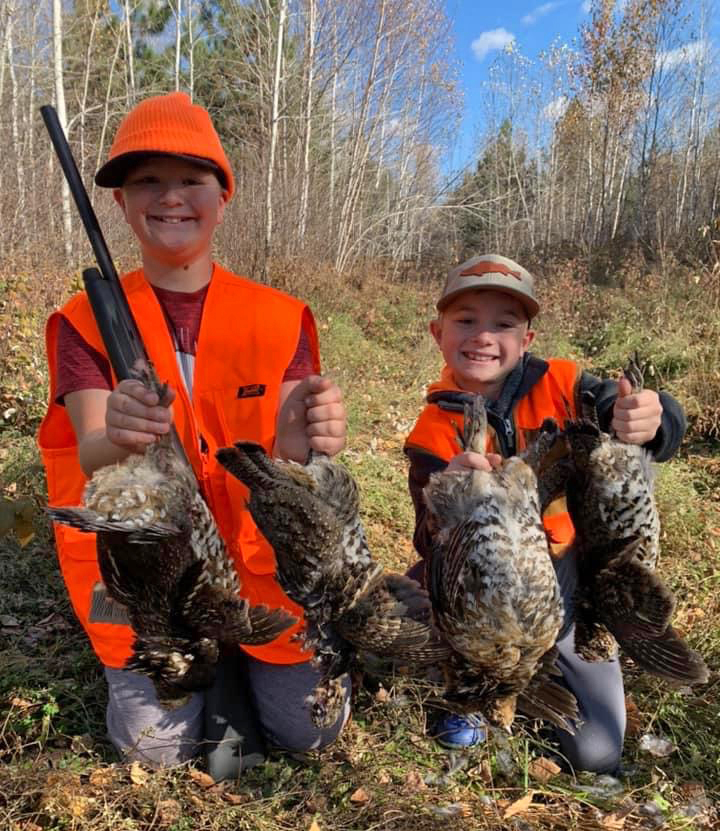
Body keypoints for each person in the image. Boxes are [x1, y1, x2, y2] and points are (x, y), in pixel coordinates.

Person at [38, 91, 349, 780]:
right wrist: (118, 434)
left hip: (260, 571)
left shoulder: (278, 316)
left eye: (190, 179)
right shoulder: (84, 319)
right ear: (119, 201)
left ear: (223, 195)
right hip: (146, 577)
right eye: (147, 180)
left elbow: (290, 458)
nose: (170, 197)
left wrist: (317, 434)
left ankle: (242, 652)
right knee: (155, 752)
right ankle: (205, 659)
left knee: (310, 736)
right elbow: (89, 449)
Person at [403, 253, 686, 772]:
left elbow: (645, 421)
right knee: (431, 604)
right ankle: (468, 684)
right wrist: (454, 503)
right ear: (437, 331)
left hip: (567, 579)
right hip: (482, 590)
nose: (483, 336)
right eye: (465, 320)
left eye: (504, 324)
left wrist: (651, 418)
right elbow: (429, 536)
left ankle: (549, 665)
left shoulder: (567, 384)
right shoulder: (431, 431)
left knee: (596, 751)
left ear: (527, 339)